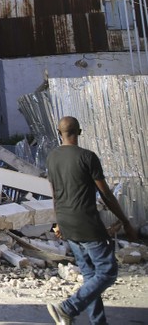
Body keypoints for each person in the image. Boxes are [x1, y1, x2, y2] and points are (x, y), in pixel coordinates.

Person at [45, 116, 137, 325]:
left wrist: (58, 221)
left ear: (59, 133)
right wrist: (125, 221)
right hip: (86, 223)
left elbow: (54, 194)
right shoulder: (87, 157)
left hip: (67, 223)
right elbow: (105, 194)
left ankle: (98, 322)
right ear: (80, 132)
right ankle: (67, 308)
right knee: (107, 272)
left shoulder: (52, 157)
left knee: (90, 276)